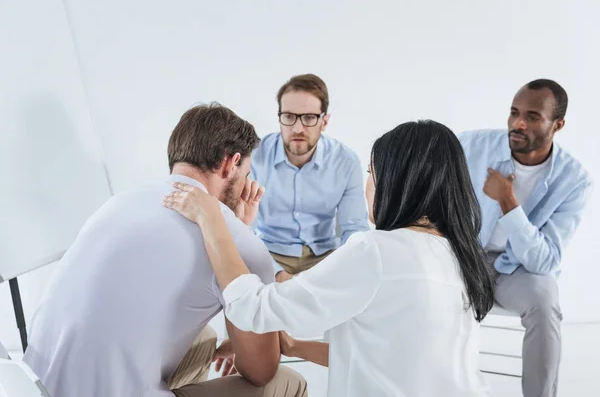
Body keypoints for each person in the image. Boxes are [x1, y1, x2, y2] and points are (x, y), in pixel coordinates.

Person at [164, 120, 496, 397]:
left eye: (372, 171)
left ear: (396, 179)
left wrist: (214, 219)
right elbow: (389, 355)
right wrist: (294, 347)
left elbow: (252, 308)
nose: (368, 183)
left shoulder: (377, 251)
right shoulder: (457, 257)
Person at [23, 103, 307, 397]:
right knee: (284, 382)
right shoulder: (237, 241)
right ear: (230, 163)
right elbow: (260, 371)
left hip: (33, 387)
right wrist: (240, 233)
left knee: (205, 337)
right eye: (246, 171)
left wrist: (236, 225)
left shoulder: (119, 202)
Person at [458, 79, 593, 397]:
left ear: (557, 125)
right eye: (514, 112)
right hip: (462, 257)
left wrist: (508, 202)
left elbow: (544, 261)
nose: (518, 123)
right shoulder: (471, 145)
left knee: (545, 305)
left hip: (516, 268)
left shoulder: (574, 180)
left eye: (533, 117)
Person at [251, 74, 370, 282]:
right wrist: (276, 273)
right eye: (289, 116)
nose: (298, 128)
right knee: (242, 298)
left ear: (324, 121)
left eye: (308, 118)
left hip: (325, 258)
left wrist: (338, 272)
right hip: (269, 254)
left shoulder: (345, 161)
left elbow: (354, 230)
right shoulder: (254, 156)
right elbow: (241, 229)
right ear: (279, 117)